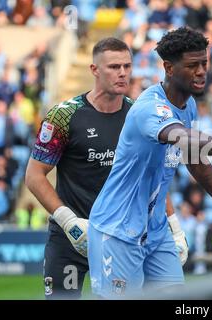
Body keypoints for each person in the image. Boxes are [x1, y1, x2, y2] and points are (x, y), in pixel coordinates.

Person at [88, 27, 212, 299]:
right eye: (192, 65)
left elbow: (194, 158)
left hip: (156, 232)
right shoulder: (149, 107)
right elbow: (179, 135)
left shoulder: (188, 104)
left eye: (204, 63)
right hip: (118, 230)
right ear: (169, 68)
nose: (202, 71)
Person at [25, 38, 136, 299]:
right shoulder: (63, 116)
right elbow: (34, 175)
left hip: (118, 238)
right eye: (114, 66)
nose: (122, 73)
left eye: (127, 66)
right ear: (94, 70)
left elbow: (151, 175)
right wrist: (69, 221)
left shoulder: (137, 115)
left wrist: (171, 225)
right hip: (70, 237)